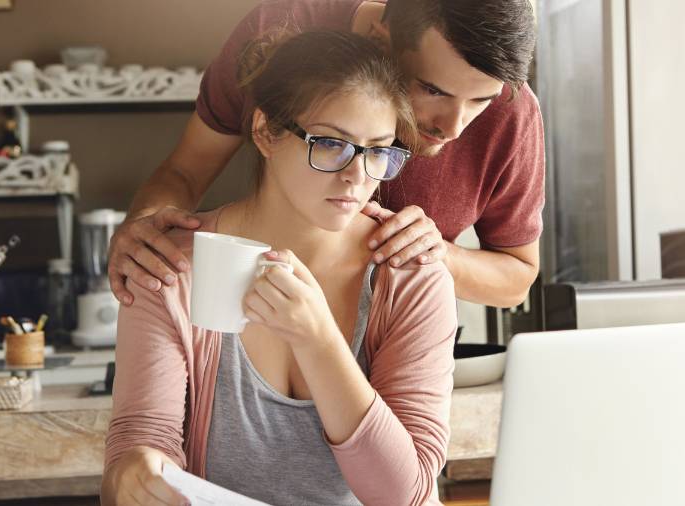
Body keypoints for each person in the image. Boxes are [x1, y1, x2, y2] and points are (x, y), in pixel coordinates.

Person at [101, 30, 457, 506]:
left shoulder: (411, 275)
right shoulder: (171, 268)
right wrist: (134, 472)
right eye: (332, 144)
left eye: (378, 151)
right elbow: (140, 443)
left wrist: (319, 341)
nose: (357, 175)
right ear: (266, 131)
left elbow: (405, 494)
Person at [108, 0, 544, 310]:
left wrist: (442, 255)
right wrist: (144, 228)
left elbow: (517, 279)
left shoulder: (513, 108)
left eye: (481, 100)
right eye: (432, 90)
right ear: (381, 41)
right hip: (252, 319)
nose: (453, 127)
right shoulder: (278, 30)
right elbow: (186, 169)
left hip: (397, 343)